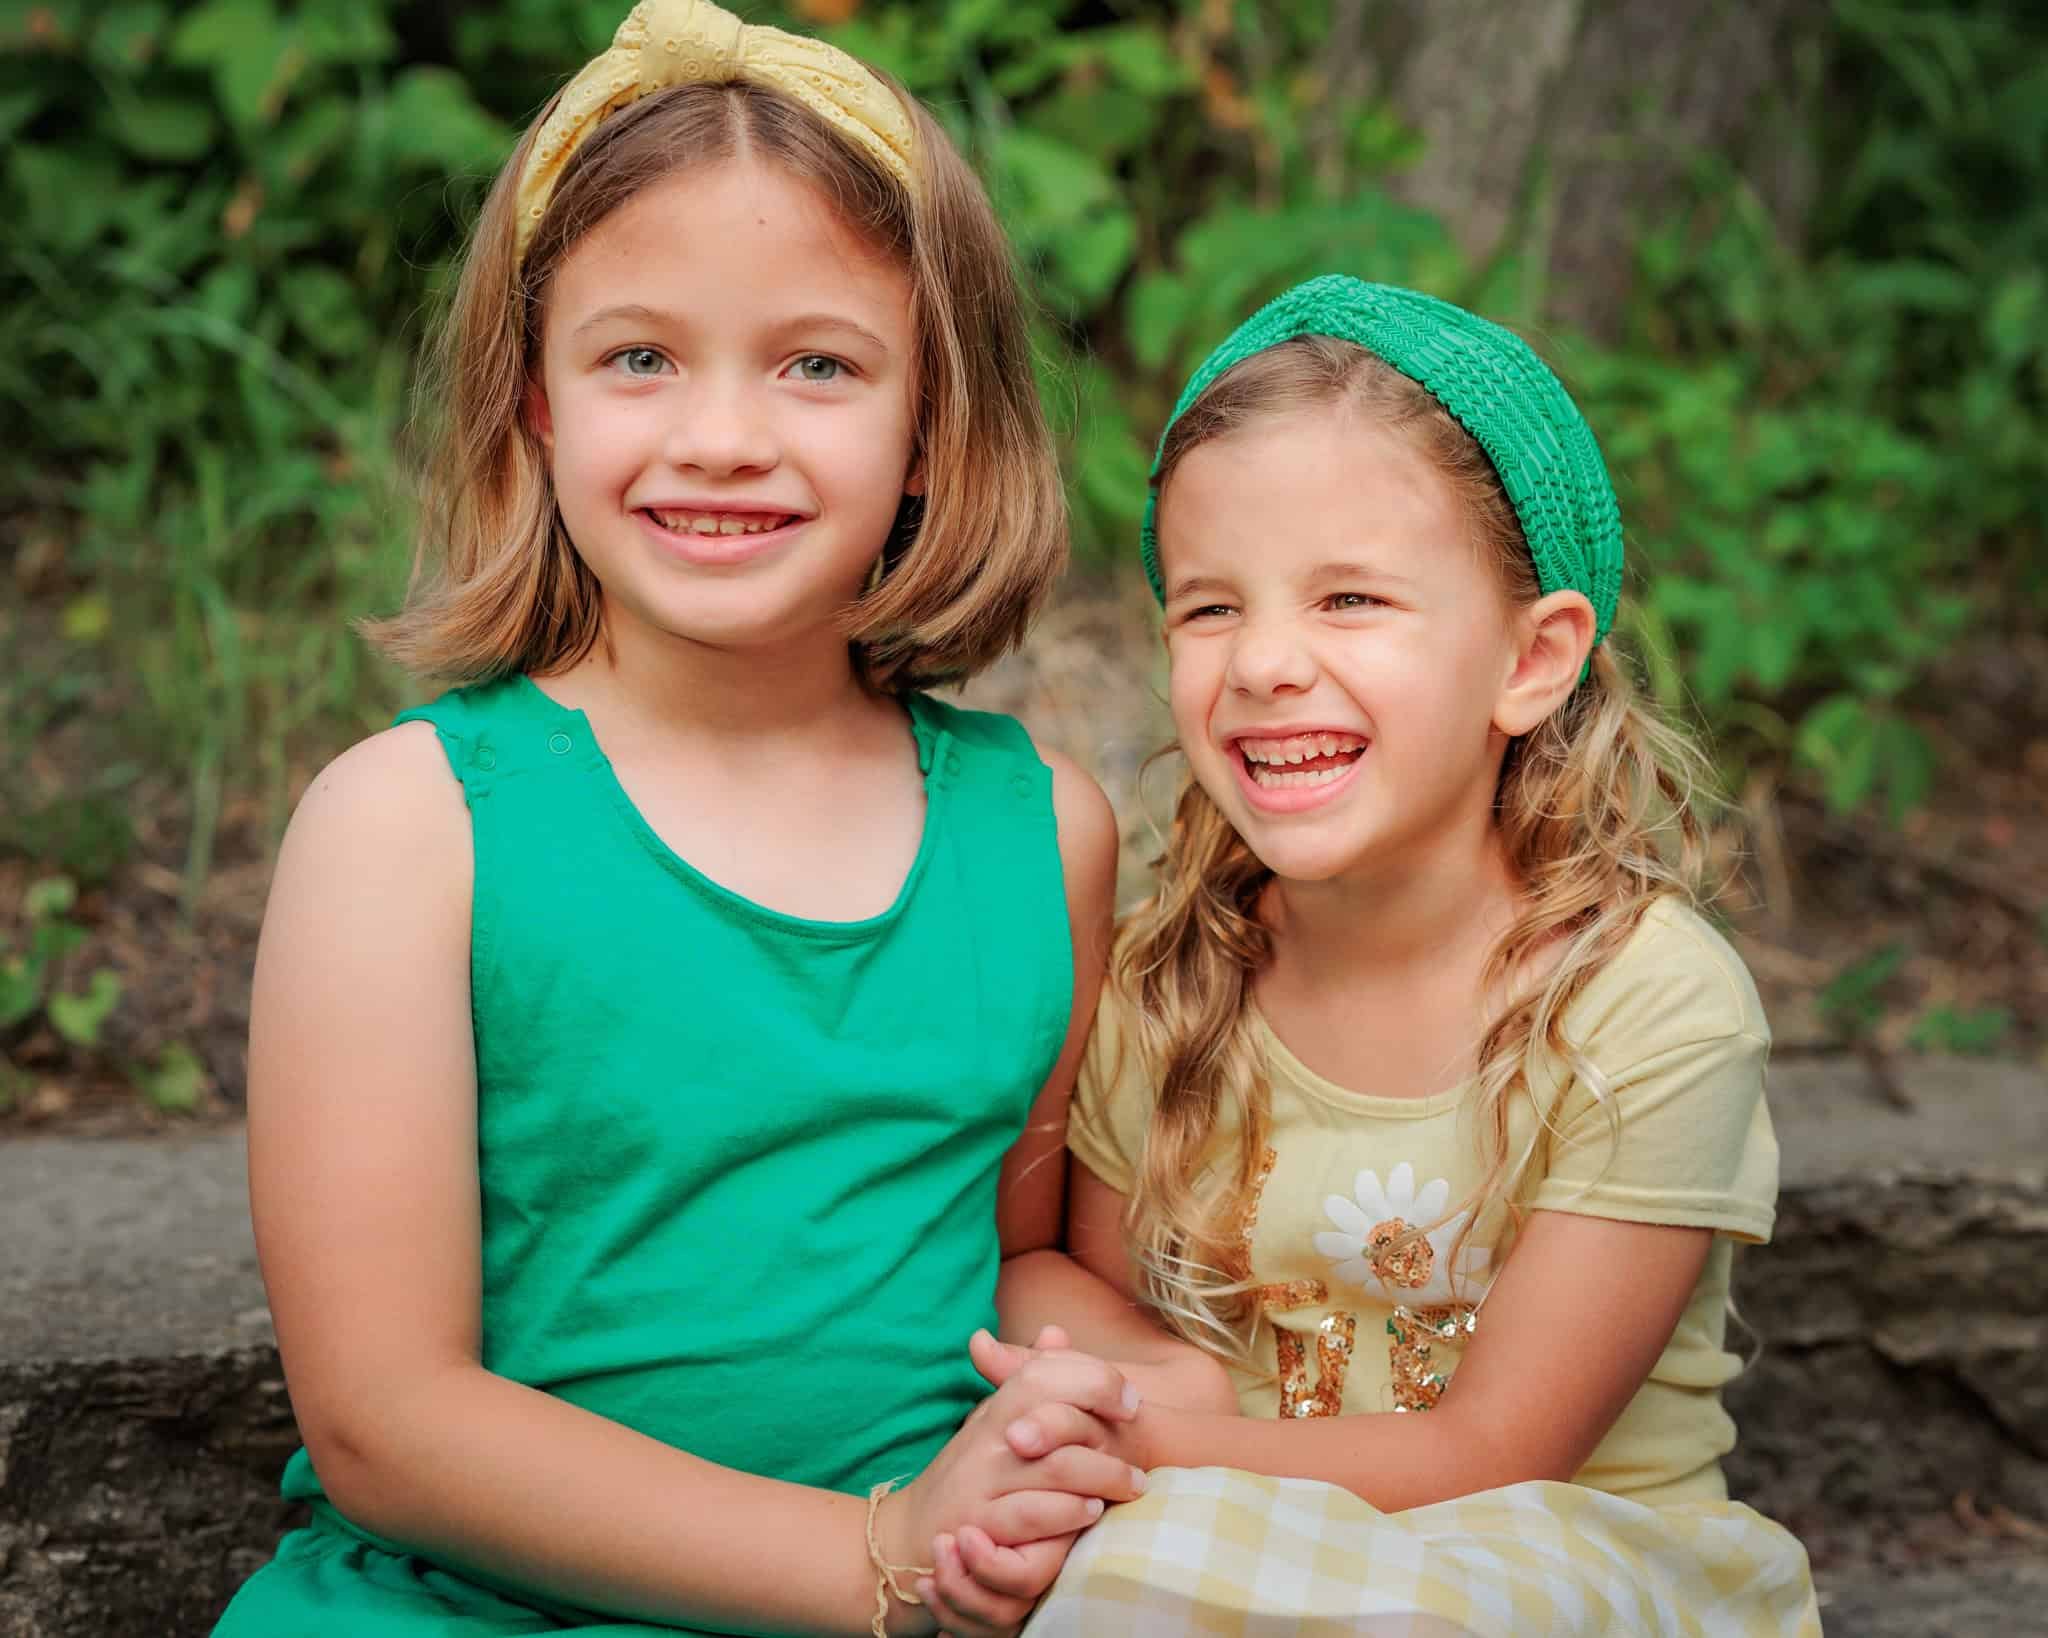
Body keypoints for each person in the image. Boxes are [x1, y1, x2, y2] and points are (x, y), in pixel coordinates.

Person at [210, 2, 1162, 1632]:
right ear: (537, 399)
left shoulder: (1040, 835)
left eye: (818, 364)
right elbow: (383, 1419)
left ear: (933, 421)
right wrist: (879, 1557)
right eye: (640, 356)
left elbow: (1011, 1266)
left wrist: (1092, 1425)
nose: (723, 439)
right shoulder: (412, 830)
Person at [961, 277, 1823, 1635]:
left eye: (1350, 598)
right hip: (1220, 1544)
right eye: (1209, 609)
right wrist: (1125, 1378)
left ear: (1532, 662)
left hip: (1564, 1565)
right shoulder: (1167, 980)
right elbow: (1064, 1274)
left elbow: (1489, 1458)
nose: (1265, 663)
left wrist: (1133, 1443)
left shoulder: (1644, 1007)